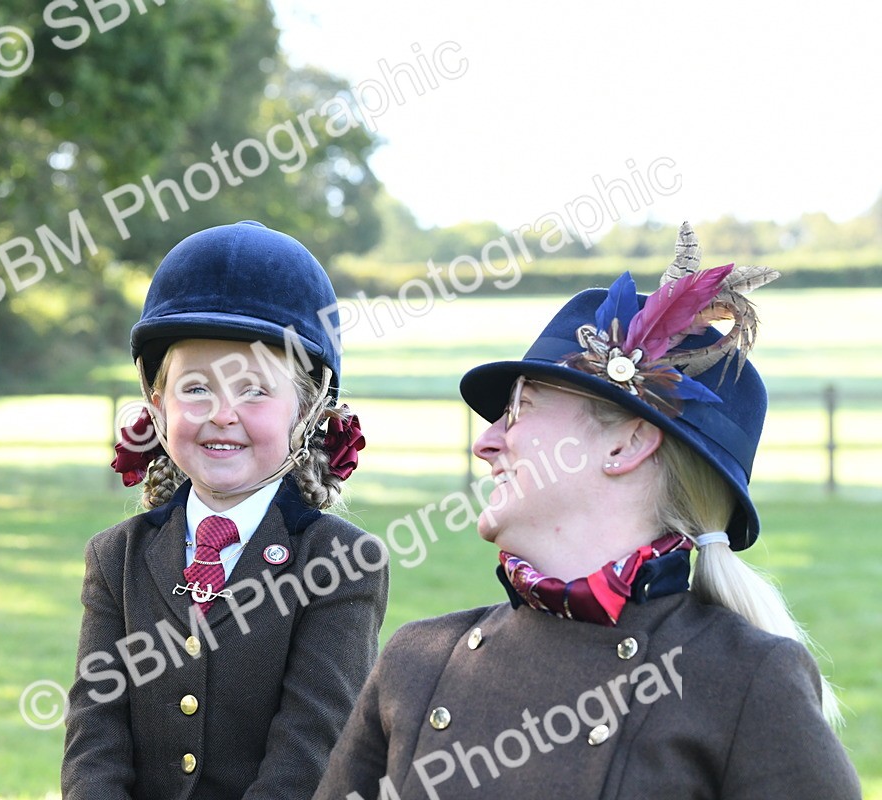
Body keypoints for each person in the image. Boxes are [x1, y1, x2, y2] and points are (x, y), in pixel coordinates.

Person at [314, 223, 861, 799]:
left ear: (625, 444)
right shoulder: (419, 660)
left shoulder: (744, 681)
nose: (487, 442)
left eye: (520, 407)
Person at [61, 220, 388, 800]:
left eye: (255, 389)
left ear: (308, 410)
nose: (221, 413)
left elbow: (310, 749)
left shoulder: (341, 562)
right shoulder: (117, 557)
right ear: (157, 408)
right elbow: (95, 739)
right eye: (195, 388)